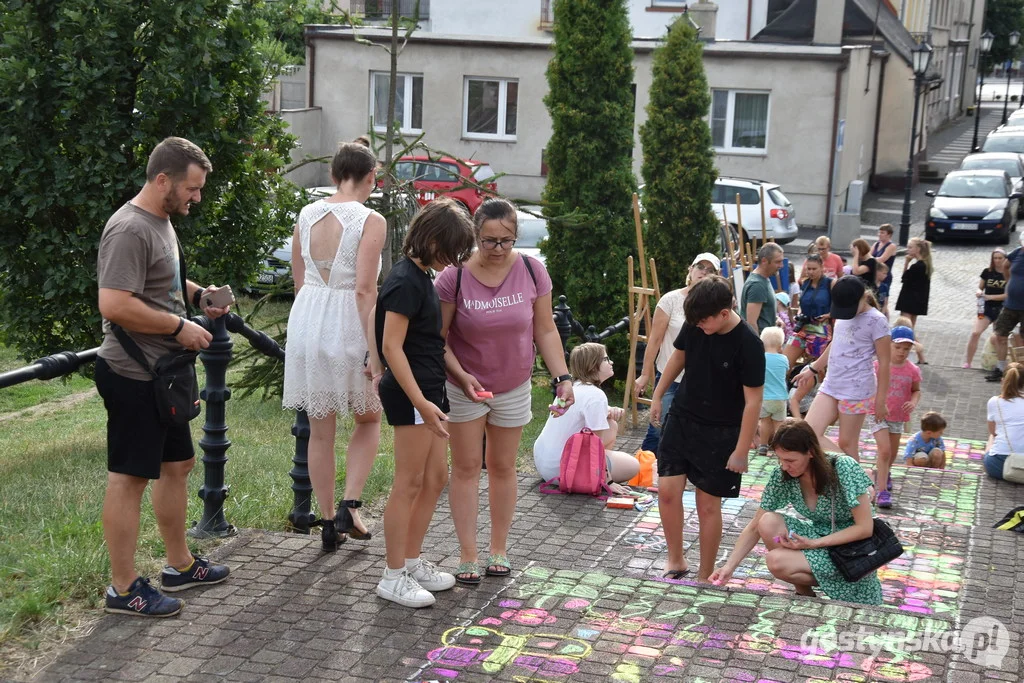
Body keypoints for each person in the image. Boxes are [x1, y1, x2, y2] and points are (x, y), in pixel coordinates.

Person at [96, 137, 231, 617]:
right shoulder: (129, 229)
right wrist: (179, 327)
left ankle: (178, 564)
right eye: (192, 188)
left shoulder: (161, 222)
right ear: (162, 181)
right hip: (133, 373)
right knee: (129, 478)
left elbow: (161, 283)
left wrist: (199, 297)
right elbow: (114, 303)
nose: (196, 197)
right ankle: (123, 588)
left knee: (178, 467)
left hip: (163, 374)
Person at [435, 198, 574, 586]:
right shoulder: (454, 277)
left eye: (507, 241)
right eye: (489, 241)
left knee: (502, 466)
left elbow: (545, 329)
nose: (498, 249)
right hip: (465, 386)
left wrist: (562, 376)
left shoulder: (532, 270)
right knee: (465, 468)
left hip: (513, 384)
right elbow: (437, 338)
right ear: (474, 235)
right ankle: (467, 554)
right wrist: (462, 376)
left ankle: (499, 548)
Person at [372, 198, 476, 608]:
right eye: (449, 251)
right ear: (431, 239)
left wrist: (462, 377)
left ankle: (411, 561)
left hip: (430, 393)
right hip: (412, 395)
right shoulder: (402, 282)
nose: (452, 261)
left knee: (435, 479)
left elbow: (432, 342)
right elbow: (391, 348)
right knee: (409, 483)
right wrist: (421, 402)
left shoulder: (422, 278)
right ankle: (392, 574)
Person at [282, 143, 386, 552]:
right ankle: (350, 506)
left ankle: (327, 523)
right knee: (368, 419)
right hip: (348, 322)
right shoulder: (370, 219)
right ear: (371, 178)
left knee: (319, 430)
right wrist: (375, 354)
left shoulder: (306, 214)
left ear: (332, 175)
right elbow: (364, 289)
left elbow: (299, 277)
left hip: (308, 319)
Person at [650, 276, 765, 581]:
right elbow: (679, 356)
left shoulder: (749, 344)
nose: (699, 327)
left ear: (724, 314)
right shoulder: (698, 319)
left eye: (704, 322)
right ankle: (676, 559)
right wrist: (658, 395)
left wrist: (741, 451)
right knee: (667, 491)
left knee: (707, 504)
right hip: (683, 417)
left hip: (722, 431)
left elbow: (753, 402)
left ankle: (704, 574)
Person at [708, 420, 883, 605]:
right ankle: (804, 593)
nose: (784, 466)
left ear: (811, 452)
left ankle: (851, 579)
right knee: (767, 522)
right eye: (780, 459)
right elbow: (754, 526)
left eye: (790, 460)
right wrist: (729, 567)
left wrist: (814, 544)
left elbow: (865, 528)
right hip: (818, 537)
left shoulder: (843, 467)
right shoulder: (782, 475)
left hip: (852, 548)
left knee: (777, 561)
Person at [796, 276, 891, 461]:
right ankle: (854, 475)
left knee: (847, 444)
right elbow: (835, 343)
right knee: (808, 434)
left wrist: (880, 400)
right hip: (832, 384)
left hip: (856, 389)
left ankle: (858, 484)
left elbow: (885, 362)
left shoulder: (877, 321)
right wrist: (813, 369)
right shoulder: (842, 313)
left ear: (863, 298)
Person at [635, 253, 721, 453]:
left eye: (710, 270)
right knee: (658, 428)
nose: (704, 272)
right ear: (690, 270)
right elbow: (654, 340)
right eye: (700, 267)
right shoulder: (671, 300)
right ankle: (646, 473)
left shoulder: (717, 305)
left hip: (701, 380)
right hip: (668, 375)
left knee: (695, 432)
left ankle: (680, 474)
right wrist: (645, 374)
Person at [533, 343, 639, 486]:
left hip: (544, 464)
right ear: (593, 365)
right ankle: (594, 476)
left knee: (611, 425)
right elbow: (595, 445)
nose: (611, 362)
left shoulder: (571, 389)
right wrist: (608, 480)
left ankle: (593, 471)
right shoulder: (596, 395)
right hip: (563, 470)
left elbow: (583, 409)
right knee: (633, 465)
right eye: (606, 359)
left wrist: (608, 410)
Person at [868, 325, 921, 509]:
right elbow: (867, 387)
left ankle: (884, 472)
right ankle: (882, 491)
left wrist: (913, 402)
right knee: (884, 451)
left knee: (891, 453)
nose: (902, 352)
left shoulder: (913, 370)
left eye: (906, 349)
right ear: (889, 345)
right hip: (877, 413)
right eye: (898, 347)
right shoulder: (877, 366)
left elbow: (916, 390)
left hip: (898, 416)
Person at [784, 254, 832, 368]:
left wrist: (830, 315)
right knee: (785, 362)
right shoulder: (804, 284)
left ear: (821, 267)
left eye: (814, 269)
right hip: (803, 327)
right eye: (808, 269)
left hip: (822, 330)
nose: (811, 272)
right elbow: (803, 304)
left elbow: (841, 306)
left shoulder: (830, 283)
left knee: (818, 369)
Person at [988, 234, 1024, 382]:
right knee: (999, 336)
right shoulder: (1017, 252)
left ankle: (1020, 372)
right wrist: (1009, 282)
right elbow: (1005, 266)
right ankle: (1001, 368)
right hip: (1011, 304)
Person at [965, 249, 1008, 369]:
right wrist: (979, 292)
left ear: (1005, 259)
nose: (998, 261)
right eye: (995, 258)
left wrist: (990, 297)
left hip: (1002, 308)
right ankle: (968, 362)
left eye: (1000, 258)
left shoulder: (1008, 273)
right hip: (986, 308)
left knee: (997, 337)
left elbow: (1008, 294)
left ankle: (1000, 365)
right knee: (975, 333)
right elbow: (980, 287)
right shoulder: (987, 272)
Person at [985, 362, 1024, 480]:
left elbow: (993, 431)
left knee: (992, 437)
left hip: (998, 464)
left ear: (1003, 380)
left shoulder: (994, 401)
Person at [758, 327, 790, 457]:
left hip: (764, 397)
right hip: (780, 397)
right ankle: (779, 447)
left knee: (765, 422)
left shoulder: (760, 358)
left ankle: (763, 446)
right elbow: (786, 372)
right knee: (779, 424)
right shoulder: (783, 359)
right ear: (780, 345)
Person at [741, 242, 785, 334]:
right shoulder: (757, 285)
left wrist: (776, 319)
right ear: (764, 261)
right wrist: (759, 347)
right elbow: (751, 323)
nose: (781, 266)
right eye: (777, 262)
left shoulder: (764, 279)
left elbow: (762, 313)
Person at [894, 237, 932, 327]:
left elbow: (904, 278)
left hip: (909, 300)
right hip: (918, 300)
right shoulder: (926, 265)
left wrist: (906, 262)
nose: (908, 249)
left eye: (910, 247)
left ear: (918, 249)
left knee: (904, 327)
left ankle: (917, 342)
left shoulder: (916, 266)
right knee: (911, 327)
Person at [871, 224, 898, 306]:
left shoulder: (891, 246)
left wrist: (870, 259)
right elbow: (869, 255)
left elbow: (882, 259)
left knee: (882, 300)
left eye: (882, 233)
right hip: (874, 275)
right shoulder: (876, 244)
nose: (879, 234)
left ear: (889, 235)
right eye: (879, 232)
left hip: (884, 275)